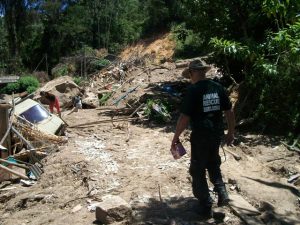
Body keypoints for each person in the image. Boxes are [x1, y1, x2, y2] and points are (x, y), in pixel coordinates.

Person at [171, 60, 235, 218]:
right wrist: (230, 132)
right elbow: (229, 112)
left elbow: (184, 118)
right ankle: (222, 192)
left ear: (192, 72)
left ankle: (205, 205)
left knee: (197, 169)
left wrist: (175, 137)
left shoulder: (193, 90)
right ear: (204, 72)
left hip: (200, 135)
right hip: (216, 134)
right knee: (213, 163)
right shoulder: (218, 88)